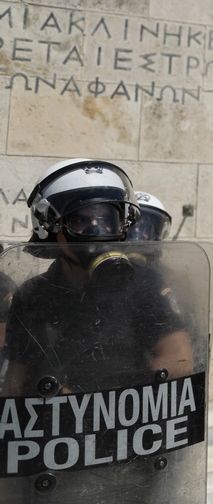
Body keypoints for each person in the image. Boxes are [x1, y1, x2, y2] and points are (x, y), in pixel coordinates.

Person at [3, 158, 193, 396]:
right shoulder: (33, 295)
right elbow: (15, 382)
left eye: (105, 220)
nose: (97, 230)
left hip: (129, 421)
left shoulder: (144, 282)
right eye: (80, 220)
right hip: (54, 424)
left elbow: (180, 360)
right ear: (52, 228)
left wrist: (106, 398)